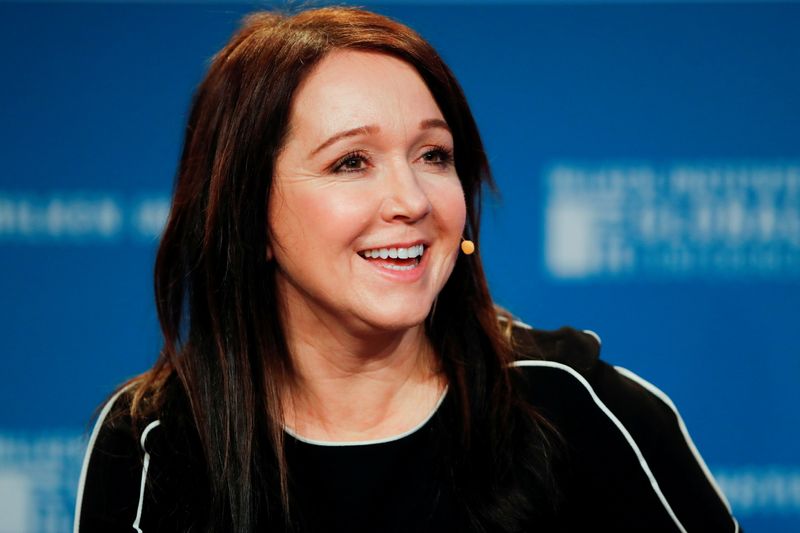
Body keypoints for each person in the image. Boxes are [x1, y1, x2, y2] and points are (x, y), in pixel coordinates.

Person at [73, 6, 740, 533]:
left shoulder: (574, 406)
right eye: (351, 162)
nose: (413, 202)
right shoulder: (154, 441)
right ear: (249, 214)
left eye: (434, 155)